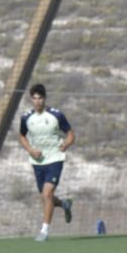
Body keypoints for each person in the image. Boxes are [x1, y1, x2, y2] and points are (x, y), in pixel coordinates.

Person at [19, 83, 74, 242]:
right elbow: (22, 136)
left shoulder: (56, 115)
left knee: (47, 193)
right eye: (34, 98)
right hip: (37, 162)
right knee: (45, 196)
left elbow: (70, 134)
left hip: (55, 158)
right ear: (31, 99)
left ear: (45, 98)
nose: (37, 102)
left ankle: (44, 231)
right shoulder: (26, 117)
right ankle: (64, 204)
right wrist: (30, 150)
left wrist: (66, 144)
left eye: (40, 98)